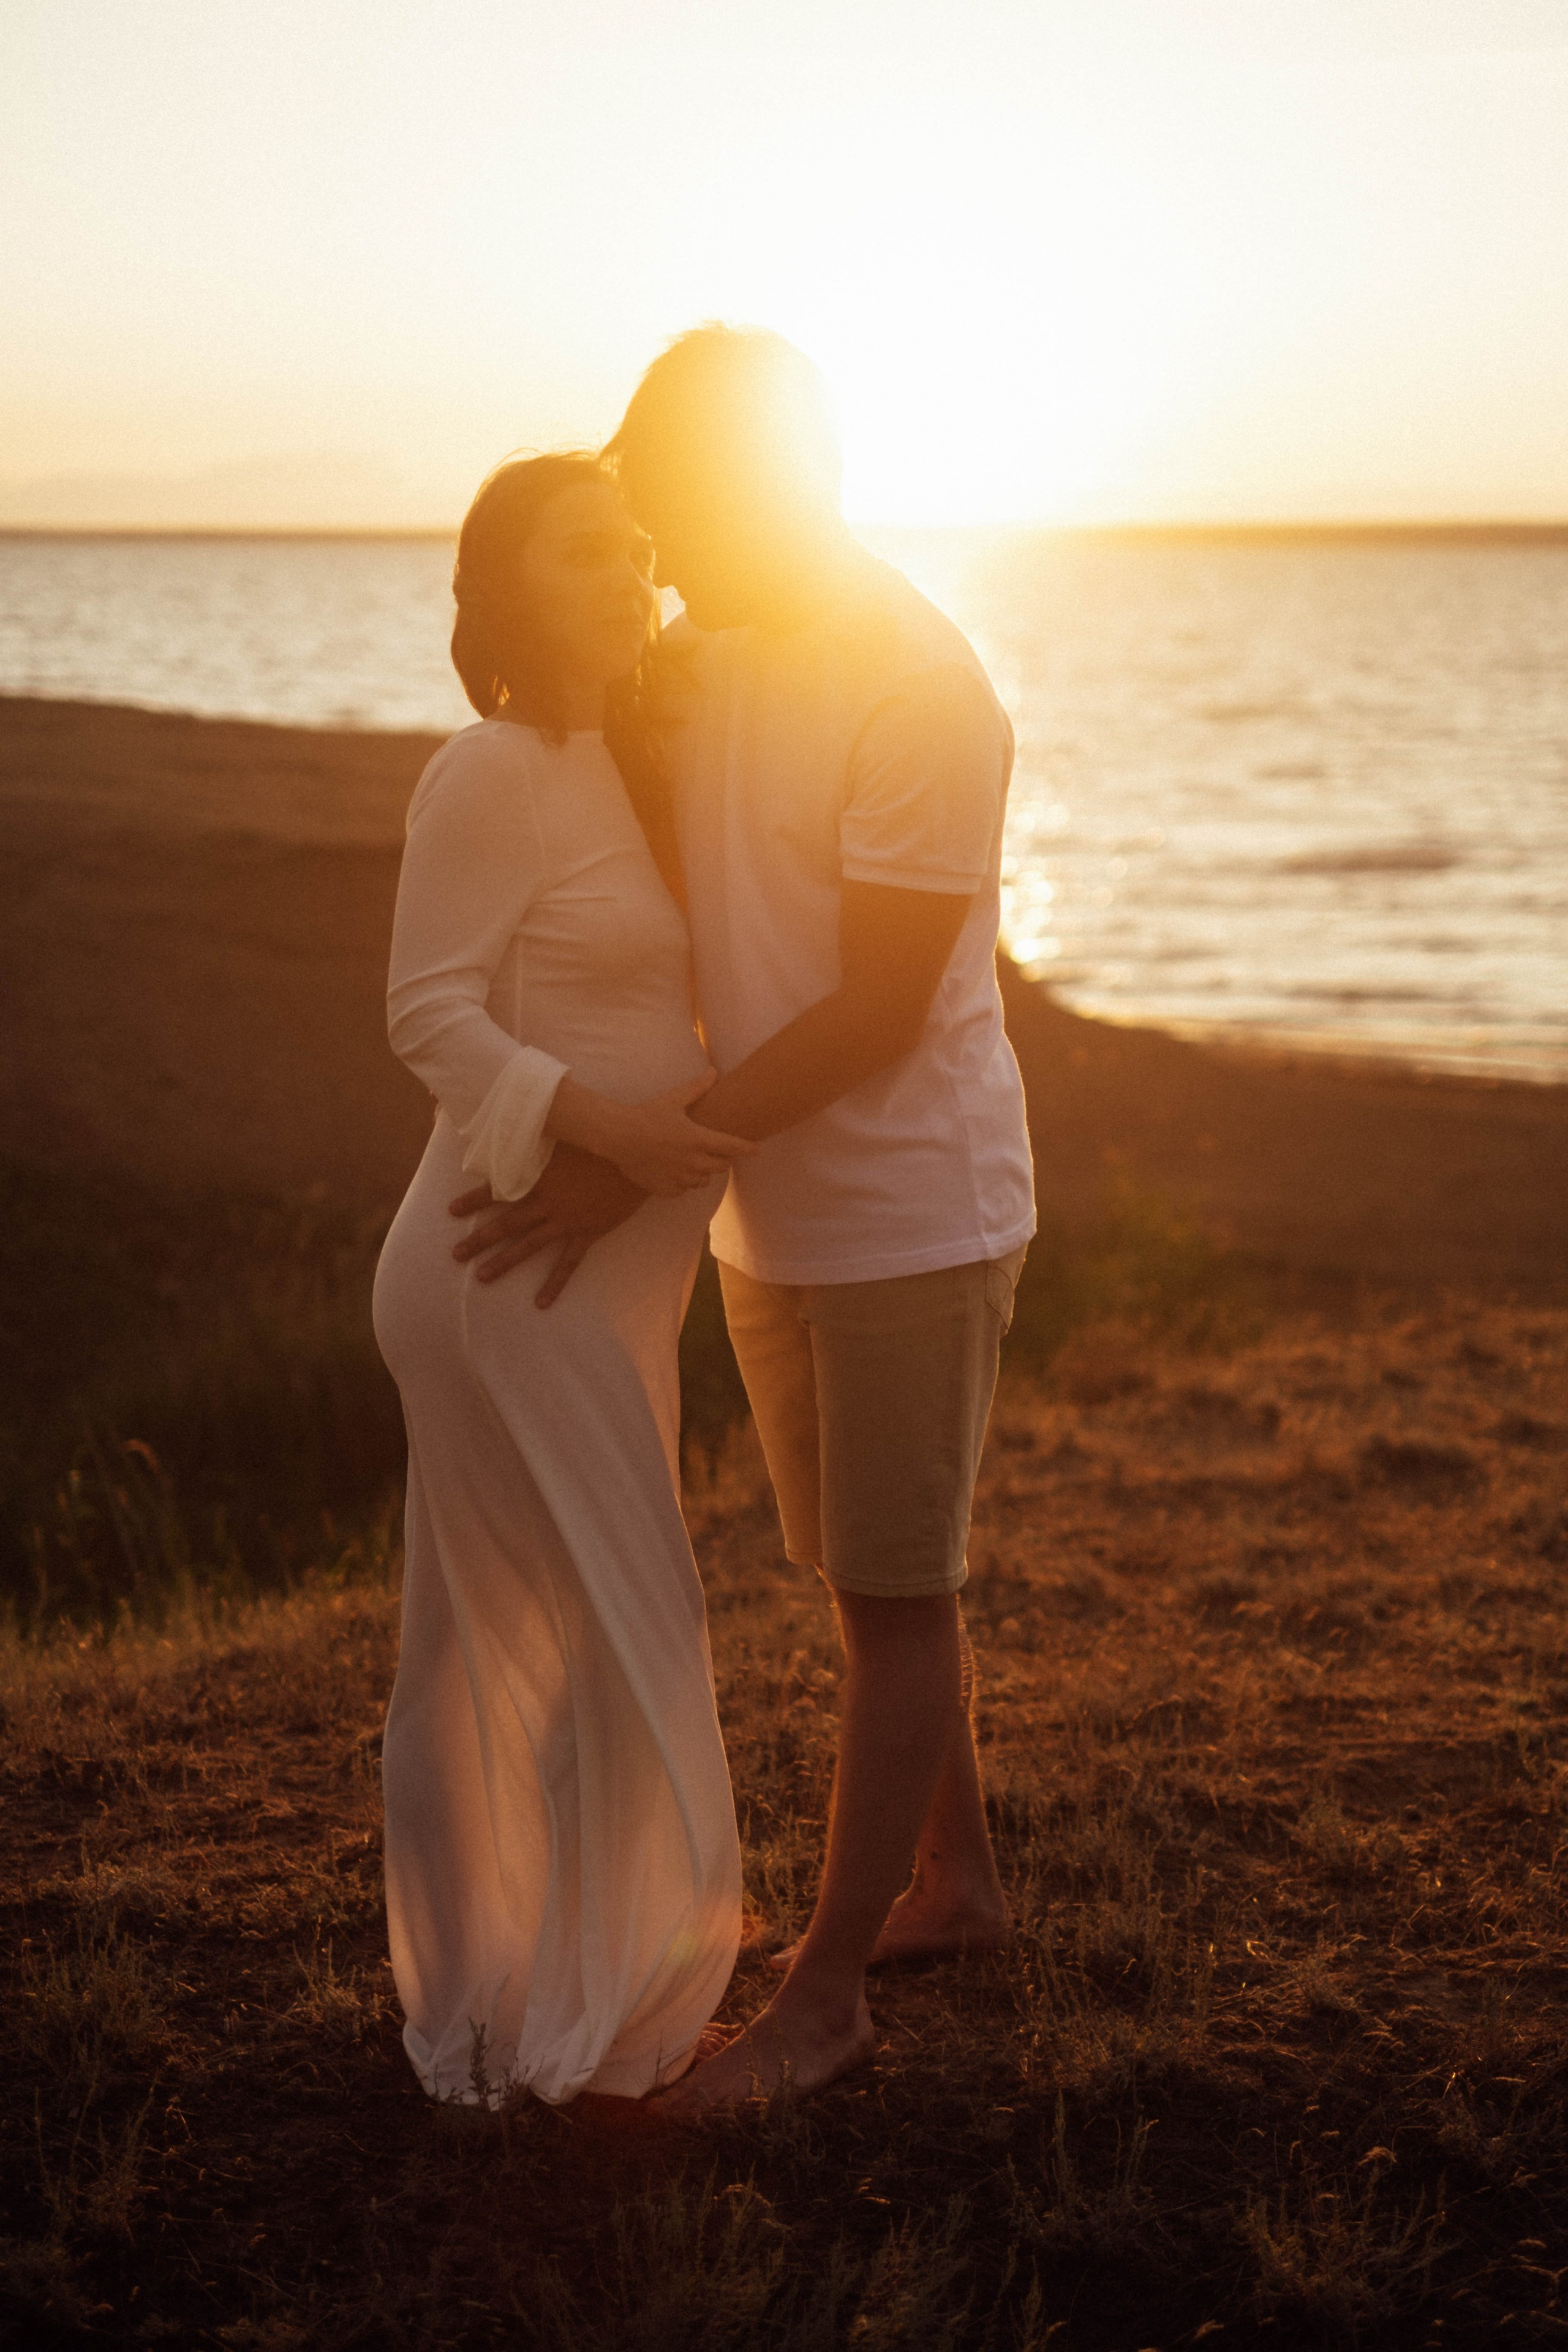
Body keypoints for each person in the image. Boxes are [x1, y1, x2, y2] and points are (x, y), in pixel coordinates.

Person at [458, 329, 1036, 2108]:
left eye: (682, 512)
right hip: (765, 1208)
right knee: (866, 1582)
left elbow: (873, 1008)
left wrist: (637, 1149)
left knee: (896, 1582)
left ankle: (828, 1994)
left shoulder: (922, 685)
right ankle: (966, 1882)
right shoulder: (702, 661)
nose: (664, 558)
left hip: (908, 1207)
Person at [371, 451, 749, 2105]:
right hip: (500, 1254)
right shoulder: (494, 766)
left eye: (635, 540)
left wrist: (659, 1157)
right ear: (510, 590)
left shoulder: (647, 762)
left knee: (517, 1635)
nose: (632, 564)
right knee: (605, 1623)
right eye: (586, 549)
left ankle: (516, 2003)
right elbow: (428, 1011)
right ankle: (588, 2021)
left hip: (599, 1267)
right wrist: (602, 1139)